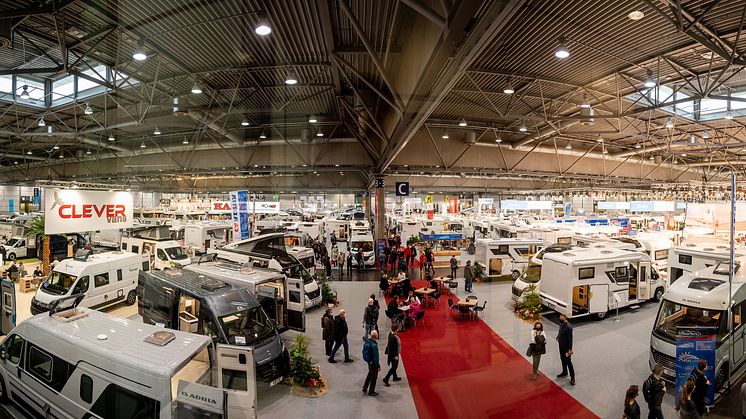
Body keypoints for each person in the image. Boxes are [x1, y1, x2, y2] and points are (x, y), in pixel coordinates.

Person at [556, 313, 575, 385]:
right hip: (561, 345)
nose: (560, 318)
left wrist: (570, 349)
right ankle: (564, 372)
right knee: (562, 359)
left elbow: (570, 339)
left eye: (562, 317)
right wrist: (558, 337)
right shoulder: (561, 324)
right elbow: (560, 331)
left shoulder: (569, 327)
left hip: (567, 348)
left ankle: (572, 377)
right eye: (560, 316)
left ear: (565, 317)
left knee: (568, 362)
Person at [361, 330, 380, 396]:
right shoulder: (374, 345)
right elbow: (376, 357)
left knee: (370, 373)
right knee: (374, 377)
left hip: (369, 361)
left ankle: (365, 387)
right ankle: (371, 391)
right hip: (373, 363)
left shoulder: (367, 341)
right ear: (376, 336)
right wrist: (378, 366)